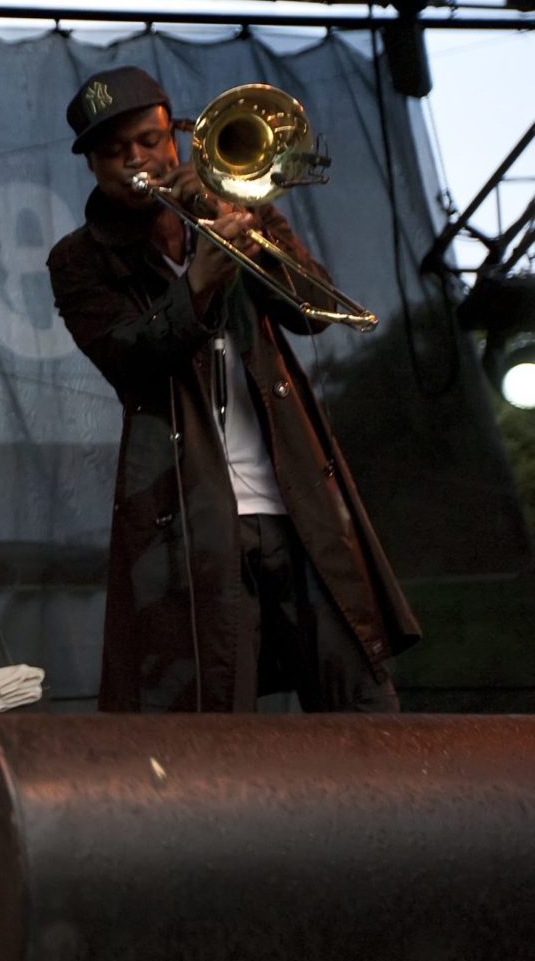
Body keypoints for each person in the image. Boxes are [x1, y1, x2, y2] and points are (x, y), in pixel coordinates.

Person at [45, 65, 419, 714]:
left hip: (293, 500)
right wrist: (196, 288)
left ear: (177, 138)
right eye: (113, 151)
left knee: (362, 700)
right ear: (93, 166)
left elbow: (311, 312)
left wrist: (227, 214)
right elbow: (125, 357)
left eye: (147, 140)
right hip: (189, 515)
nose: (136, 160)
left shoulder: (242, 212)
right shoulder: (79, 259)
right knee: (214, 716)